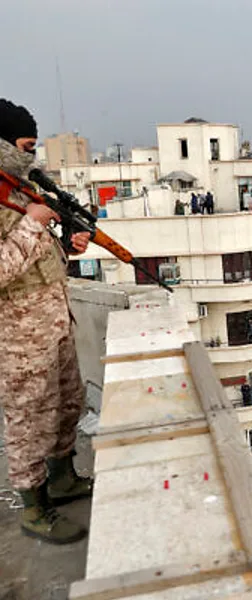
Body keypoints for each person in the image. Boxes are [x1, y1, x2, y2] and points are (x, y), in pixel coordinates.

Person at [0, 99, 93, 544]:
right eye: (24, 147)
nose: (30, 158)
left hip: (54, 320)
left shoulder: (18, 190)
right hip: (18, 334)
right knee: (29, 418)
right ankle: (34, 507)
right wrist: (32, 227)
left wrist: (69, 246)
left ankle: (63, 477)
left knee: (67, 403)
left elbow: (38, 255)